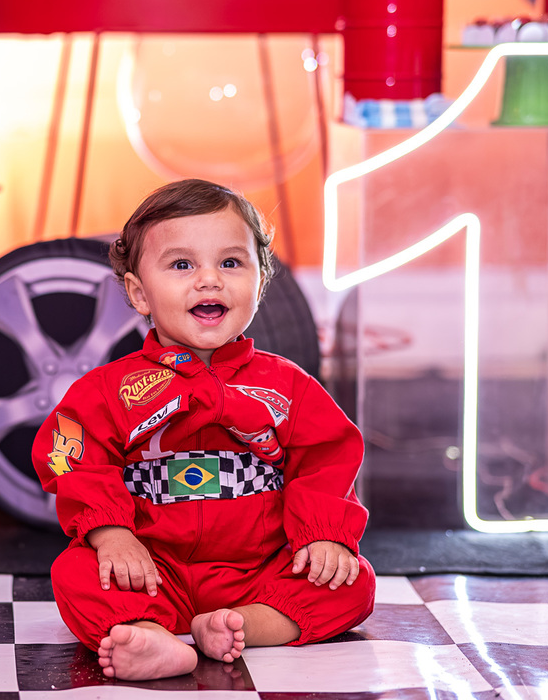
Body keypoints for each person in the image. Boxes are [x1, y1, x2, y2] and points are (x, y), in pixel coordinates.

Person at [31, 178, 376, 682]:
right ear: (139, 293)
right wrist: (112, 534)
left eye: (231, 263)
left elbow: (328, 458)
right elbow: (70, 457)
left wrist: (323, 536)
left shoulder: (288, 386)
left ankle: (242, 626)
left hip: (258, 568)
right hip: (152, 567)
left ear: (260, 282)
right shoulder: (108, 389)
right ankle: (147, 632)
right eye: (182, 265)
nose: (210, 280)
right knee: (75, 572)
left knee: (353, 581)